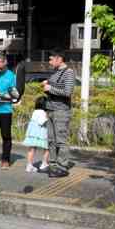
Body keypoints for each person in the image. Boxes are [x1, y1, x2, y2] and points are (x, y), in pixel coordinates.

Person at [43, 49, 76, 177]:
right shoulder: (55, 72)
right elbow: (54, 89)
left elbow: (67, 92)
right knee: (51, 140)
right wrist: (47, 86)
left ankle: (62, 167)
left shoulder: (69, 73)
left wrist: (50, 88)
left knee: (61, 140)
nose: (49, 62)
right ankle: (53, 165)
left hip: (61, 111)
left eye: (51, 59)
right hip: (51, 109)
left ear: (59, 59)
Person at [23, 96, 50, 172]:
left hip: (32, 134)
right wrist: (49, 118)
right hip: (41, 134)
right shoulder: (42, 112)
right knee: (47, 148)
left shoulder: (35, 111)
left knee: (32, 149)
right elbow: (42, 122)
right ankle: (44, 163)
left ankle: (29, 165)